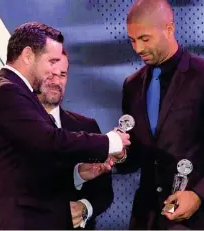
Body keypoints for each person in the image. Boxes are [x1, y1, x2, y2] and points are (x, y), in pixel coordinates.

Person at [0, 22, 129, 230]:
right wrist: (111, 141)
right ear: (28, 56)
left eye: (61, 70)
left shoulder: (15, 92)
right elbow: (49, 141)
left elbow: (32, 165)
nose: (53, 73)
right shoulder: (7, 92)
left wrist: (78, 175)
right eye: (51, 61)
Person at [116, 0, 204, 229]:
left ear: (169, 29)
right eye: (132, 40)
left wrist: (198, 194)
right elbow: (137, 156)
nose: (138, 49)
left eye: (145, 39)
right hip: (148, 219)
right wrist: (118, 156)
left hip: (198, 220)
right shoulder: (132, 85)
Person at [37, 50, 114, 229]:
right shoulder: (9, 126)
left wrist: (85, 208)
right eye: (49, 74)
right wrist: (76, 175)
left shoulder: (86, 127)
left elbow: (104, 191)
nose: (56, 82)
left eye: (62, 75)